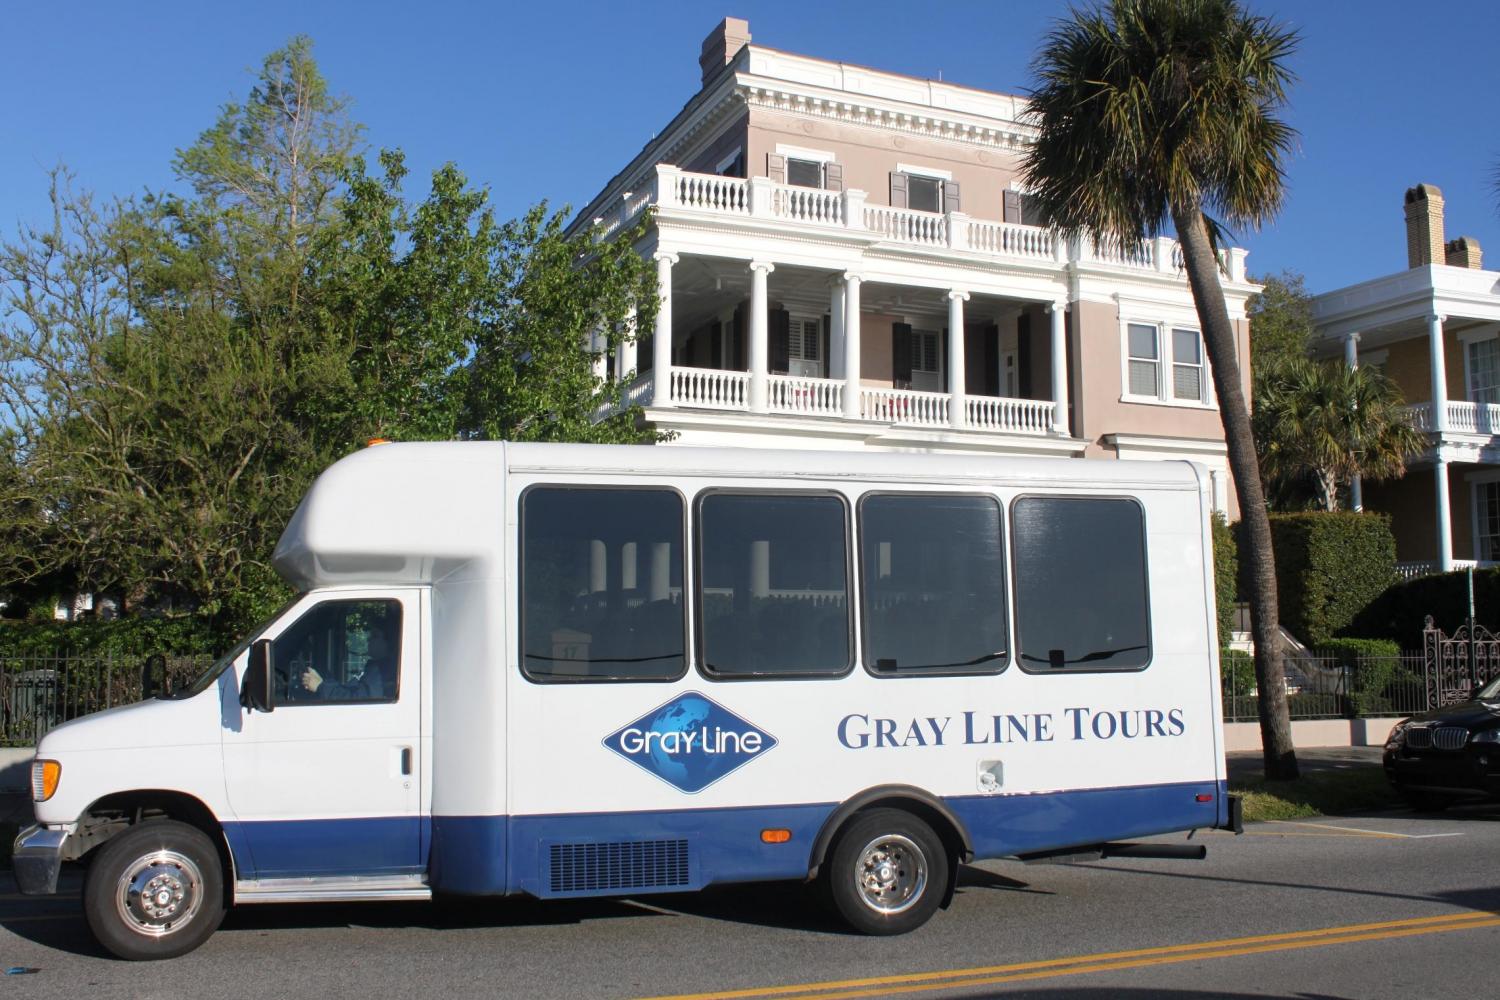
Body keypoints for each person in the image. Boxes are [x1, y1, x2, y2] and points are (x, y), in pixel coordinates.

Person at [301, 621, 397, 701]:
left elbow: (358, 701)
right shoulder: (374, 668)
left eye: (375, 636)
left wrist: (320, 687)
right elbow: (349, 690)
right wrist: (322, 683)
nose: (368, 639)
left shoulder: (383, 672)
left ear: (389, 642)